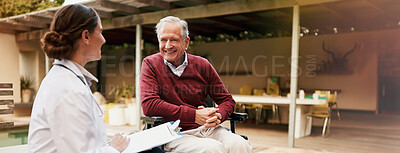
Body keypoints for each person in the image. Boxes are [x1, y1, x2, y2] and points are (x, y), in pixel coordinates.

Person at [28, 4, 134, 153]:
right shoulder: (67, 89)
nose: (104, 40)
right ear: (86, 36)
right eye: (100, 32)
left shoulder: (68, 80)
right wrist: (114, 149)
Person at [140, 16, 253, 153]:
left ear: (186, 42)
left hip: (208, 128)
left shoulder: (202, 64)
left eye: (174, 40)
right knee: (213, 149)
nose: (168, 45)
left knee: (241, 145)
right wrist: (193, 115)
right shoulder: (150, 64)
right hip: (173, 133)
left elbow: (227, 100)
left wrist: (218, 116)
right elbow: (149, 105)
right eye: (163, 40)